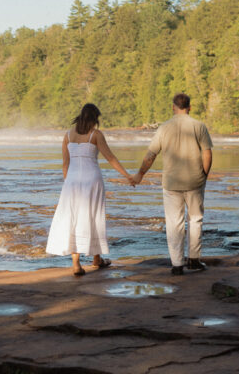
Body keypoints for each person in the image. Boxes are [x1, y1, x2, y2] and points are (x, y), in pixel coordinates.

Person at [46, 103, 136, 276]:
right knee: (92, 216)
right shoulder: (96, 134)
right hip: (91, 180)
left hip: (72, 182)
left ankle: (77, 264)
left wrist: (69, 182)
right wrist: (127, 175)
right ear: (94, 119)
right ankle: (96, 259)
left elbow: (65, 164)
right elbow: (110, 157)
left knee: (73, 217)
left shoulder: (68, 135)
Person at [135, 93, 213, 275]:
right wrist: (204, 175)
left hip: (171, 183)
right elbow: (207, 153)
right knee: (195, 220)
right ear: (190, 107)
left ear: (173, 107)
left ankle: (177, 265)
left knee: (174, 223)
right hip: (195, 180)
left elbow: (150, 155)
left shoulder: (163, 128)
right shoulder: (199, 126)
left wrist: (139, 174)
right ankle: (194, 261)